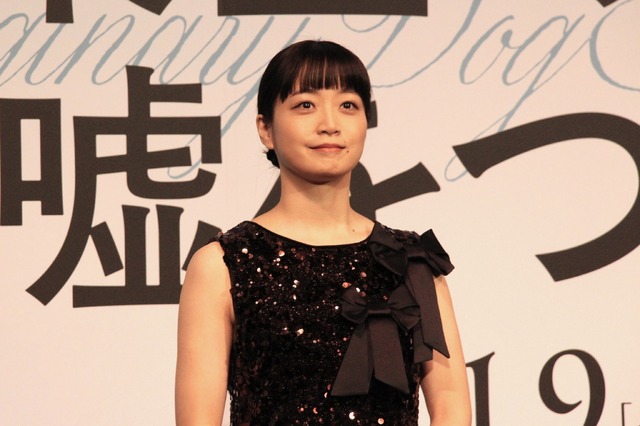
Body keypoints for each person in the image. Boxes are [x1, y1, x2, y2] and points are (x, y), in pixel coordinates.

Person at [175, 40, 471, 425]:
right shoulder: (223, 265)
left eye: (348, 105)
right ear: (266, 129)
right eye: (305, 105)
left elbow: (451, 405)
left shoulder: (413, 261)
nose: (330, 123)